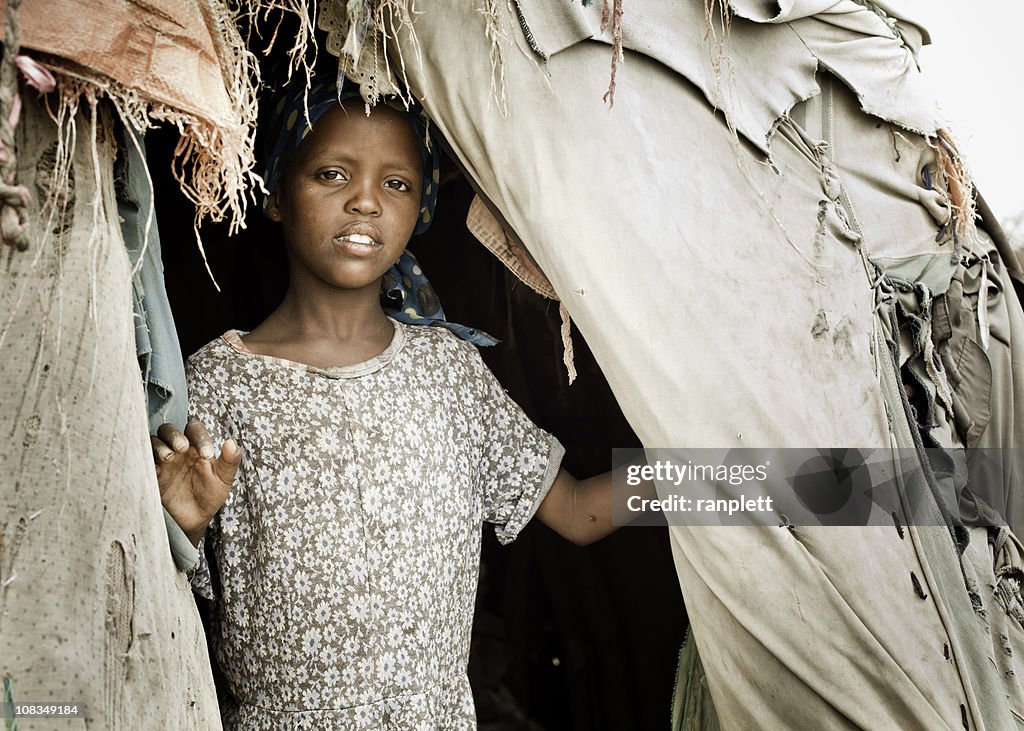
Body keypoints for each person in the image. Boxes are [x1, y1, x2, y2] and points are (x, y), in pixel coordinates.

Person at [151, 79, 628, 728]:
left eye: (396, 183)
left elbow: (575, 508)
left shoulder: (450, 374)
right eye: (331, 173)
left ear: (421, 206)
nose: (365, 201)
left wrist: (749, 482)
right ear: (276, 193)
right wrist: (182, 525)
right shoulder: (216, 383)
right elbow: (163, 591)